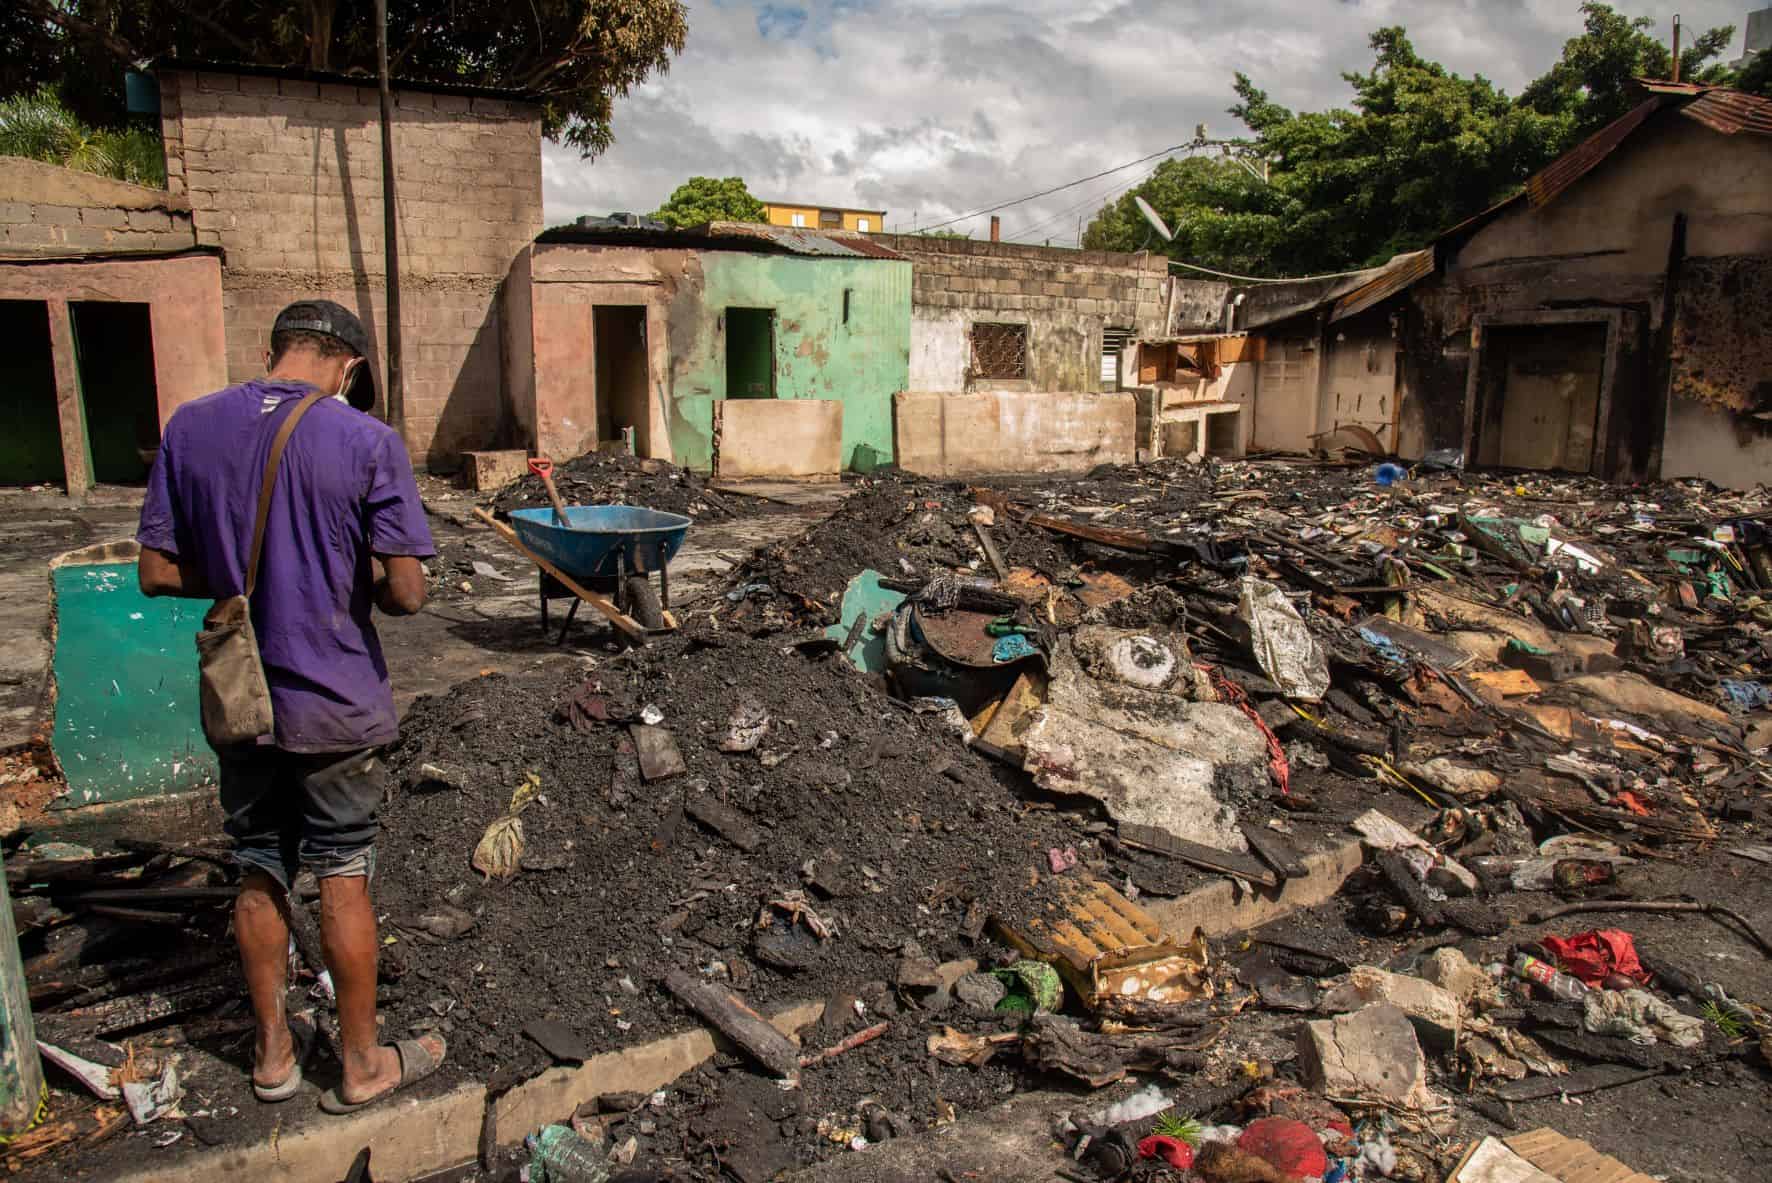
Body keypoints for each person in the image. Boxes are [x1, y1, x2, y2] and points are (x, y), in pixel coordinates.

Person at [136, 300, 446, 1113]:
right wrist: (349, 573)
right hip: (333, 701)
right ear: (348, 366)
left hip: (241, 695)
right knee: (342, 871)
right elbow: (409, 593)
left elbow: (157, 571)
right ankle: (360, 1065)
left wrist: (243, 576)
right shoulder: (366, 441)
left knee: (258, 864)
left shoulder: (191, 427)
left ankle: (273, 1056)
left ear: (272, 352)